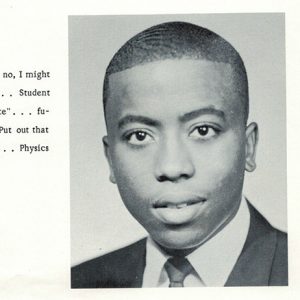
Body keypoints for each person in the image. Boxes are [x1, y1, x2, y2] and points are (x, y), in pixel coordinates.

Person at [71, 21, 287, 288]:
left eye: (203, 130)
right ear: (110, 159)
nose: (172, 167)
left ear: (249, 147)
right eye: (140, 136)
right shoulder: (79, 284)